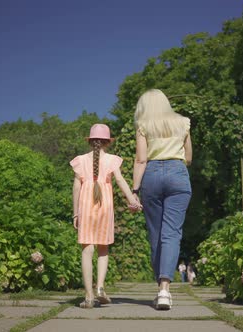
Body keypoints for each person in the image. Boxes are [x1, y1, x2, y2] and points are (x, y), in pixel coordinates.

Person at [131, 89, 193, 310]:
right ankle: (165, 290)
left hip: (152, 175)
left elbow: (140, 160)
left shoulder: (143, 125)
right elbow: (188, 157)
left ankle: (160, 287)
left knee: (156, 235)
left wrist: (134, 191)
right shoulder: (183, 122)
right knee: (171, 233)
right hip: (178, 174)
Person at [71, 124, 141, 309]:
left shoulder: (81, 160)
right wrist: (132, 199)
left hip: (85, 206)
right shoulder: (111, 160)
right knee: (103, 249)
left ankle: (88, 296)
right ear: (107, 142)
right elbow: (119, 180)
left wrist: (75, 213)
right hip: (105, 206)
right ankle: (100, 287)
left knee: (87, 250)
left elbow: (76, 187)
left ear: (91, 141)